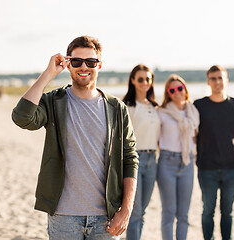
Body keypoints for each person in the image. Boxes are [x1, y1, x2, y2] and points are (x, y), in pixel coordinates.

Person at [11, 36, 139, 240]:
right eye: (77, 61)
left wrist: (126, 210)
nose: (84, 67)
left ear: (100, 65)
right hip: (63, 217)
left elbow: (130, 158)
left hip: (105, 216)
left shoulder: (116, 108)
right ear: (68, 64)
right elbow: (22, 117)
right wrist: (48, 74)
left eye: (91, 62)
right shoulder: (53, 101)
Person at [193, 65, 234, 240]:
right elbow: (191, 132)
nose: (217, 82)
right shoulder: (199, 105)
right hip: (207, 168)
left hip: (231, 167)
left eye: (220, 78)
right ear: (208, 81)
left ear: (226, 80)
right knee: (208, 211)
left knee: (228, 212)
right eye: (213, 78)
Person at [157, 74, 199, 240]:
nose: (177, 92)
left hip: (187, 163)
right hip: (167, 164)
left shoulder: (193, 112)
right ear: (168, 92)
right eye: (172, 89)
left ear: (185, 90)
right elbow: (156, 139)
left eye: (180, 88)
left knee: (183, 214)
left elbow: (195, 137)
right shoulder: (162, 112)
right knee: (169, 212)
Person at [122, 64, 160, 240]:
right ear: (133, 80)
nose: (145, 82)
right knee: (135, 212)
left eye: (148, 79)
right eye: (140, 79)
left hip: (153, 160)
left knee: (142, 211)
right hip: (135, 160)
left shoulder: (155, 106)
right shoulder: (127, 106)